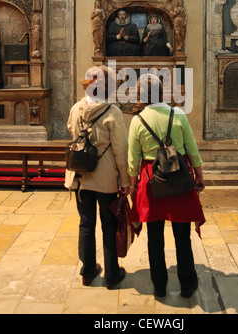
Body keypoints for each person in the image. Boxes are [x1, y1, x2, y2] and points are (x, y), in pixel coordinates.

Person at [128, 74, 205, 298]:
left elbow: (132, 160)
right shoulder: (178, 114)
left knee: (155, 236)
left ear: (141, 95)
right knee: (182, 235)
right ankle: (187, 284)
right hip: (179, 177)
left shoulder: (137, 120)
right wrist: (199, 175)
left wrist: (132, 187)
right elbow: (192, 149)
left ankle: (159, 285)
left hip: (153, 181)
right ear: (162, 92)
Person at [65, 65, 130, 289]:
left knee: (86, 224)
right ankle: (112, 274)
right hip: (106, 178)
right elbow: (120, 150)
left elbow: (70, 130)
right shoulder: (112, 112)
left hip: (81, 177)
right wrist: (125, 181)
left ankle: (88, 270)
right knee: (109, 224)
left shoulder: (76, 108)